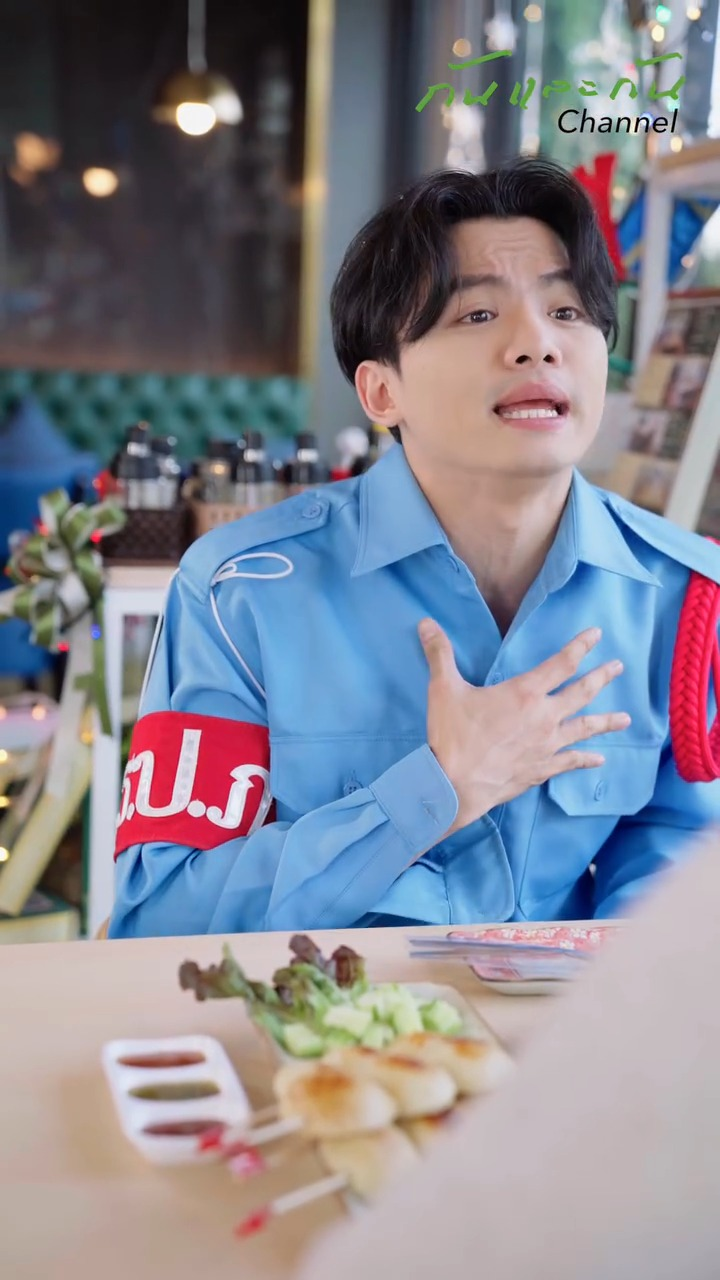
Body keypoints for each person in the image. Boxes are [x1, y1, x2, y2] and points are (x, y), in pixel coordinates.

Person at [108, 157, 720, 939]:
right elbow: (159, 913)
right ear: (381, 391)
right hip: (322, 1014)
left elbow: (678, 867)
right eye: (478, 314)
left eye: (567, 311)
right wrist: (435, 790)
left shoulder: (683, 594)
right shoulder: (241, 591)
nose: (538, 344)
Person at [296, 823, 720, 1280]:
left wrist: (621, 961)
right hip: (336, 997)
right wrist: (429, 799)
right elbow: (248, 904)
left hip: (560, 1016)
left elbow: (667, 832)